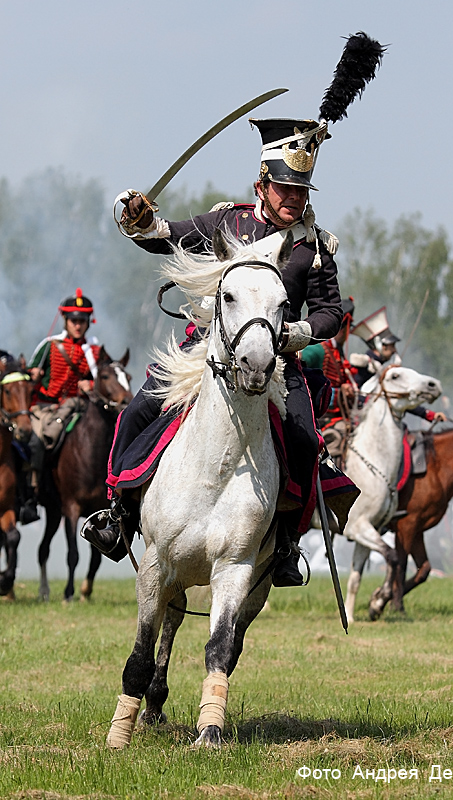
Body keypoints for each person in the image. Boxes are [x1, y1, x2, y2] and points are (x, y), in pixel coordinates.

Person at [84, 118, 356, 586]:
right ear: (262, 185)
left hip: (276, 361)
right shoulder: (227, 221)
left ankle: (287, 541)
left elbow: (331, 310)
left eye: (302, 190)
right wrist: (140, 219)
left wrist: (299, 330)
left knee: (306, 442)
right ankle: (118, 515)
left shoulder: (314, 248)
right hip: (204, 353)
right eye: (285, 188)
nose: (294, 197)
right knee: (138, 410)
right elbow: (166, 234)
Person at [27, 289, 100, 511]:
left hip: (79, 408)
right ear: (66, 321)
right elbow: (30, 372)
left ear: (88, 322)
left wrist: (92, 385)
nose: (78, 325)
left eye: (82, 321)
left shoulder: (94, 351)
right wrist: (33, 375)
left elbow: (106, 382)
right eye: (73, 320)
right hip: (47, 409)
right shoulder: (49, 345)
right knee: (36, 441)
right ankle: (33, 490)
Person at [351, 306, 447, 425]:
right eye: (392, 346)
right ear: (381, 346)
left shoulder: (383, 368)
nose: (394, 350)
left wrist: (429, 414)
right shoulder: (364, 366)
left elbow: (400, 397)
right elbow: (354, 395)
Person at [301, 298, 358, 469]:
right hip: (322, 418)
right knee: (337, 440)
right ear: (344, 327)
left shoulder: (337, 353)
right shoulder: (317, 349)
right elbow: (302, 378)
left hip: (338, 417)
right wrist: (339, 393)